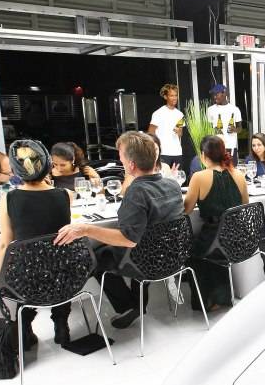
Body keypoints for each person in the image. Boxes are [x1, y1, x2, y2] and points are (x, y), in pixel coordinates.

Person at [54, 132, 183, 329]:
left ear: (131, 164)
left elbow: (128, 239)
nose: (119, 159)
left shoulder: (137, 191)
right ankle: (136, 303)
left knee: (96, 257)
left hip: (148, 261)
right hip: (172, 256)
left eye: (121, 156)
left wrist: (86, 229)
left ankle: (128, 306)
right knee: (112, 251)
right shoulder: (172, 184)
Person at [0, 140, 72, 347]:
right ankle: (61, 325)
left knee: (27, 269)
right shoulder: (65, 195)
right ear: (47, 165)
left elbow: (5, 244)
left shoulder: (9, 199)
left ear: (16, 170)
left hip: (29, 277)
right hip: (65, 275)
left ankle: (24, 329)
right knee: (56, 266)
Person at [183, 135, 249, 311]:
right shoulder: (239, 175)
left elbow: (186, 210)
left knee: (192, 251)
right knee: (210, 249)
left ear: (203, 155)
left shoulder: (199, 177)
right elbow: (245, 205)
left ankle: (210, 300)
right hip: (239, 237)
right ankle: (222, 295)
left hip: (215, 237)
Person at [147, 83, 185, 172]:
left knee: (178, 177)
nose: (174, 98)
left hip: (177, 152)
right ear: (165, 97)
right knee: (163, 177)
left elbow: (180, 134)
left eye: (176, 95)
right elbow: (150, 133)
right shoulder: (158, 113)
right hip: (163, 153)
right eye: (171, 95)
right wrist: (155, 150)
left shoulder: (180, 114)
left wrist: (178, 131)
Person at [206, 84, 242, 161]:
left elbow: (240, 128)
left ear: (224, 93)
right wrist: (214, 130)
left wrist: (234, 129)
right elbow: (208, 128)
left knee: (231, 168)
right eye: (213, 95)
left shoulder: (235, 109)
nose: (214, 97)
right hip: (216, 147)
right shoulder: (210, 110)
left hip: (231, 147)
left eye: (216, 94)